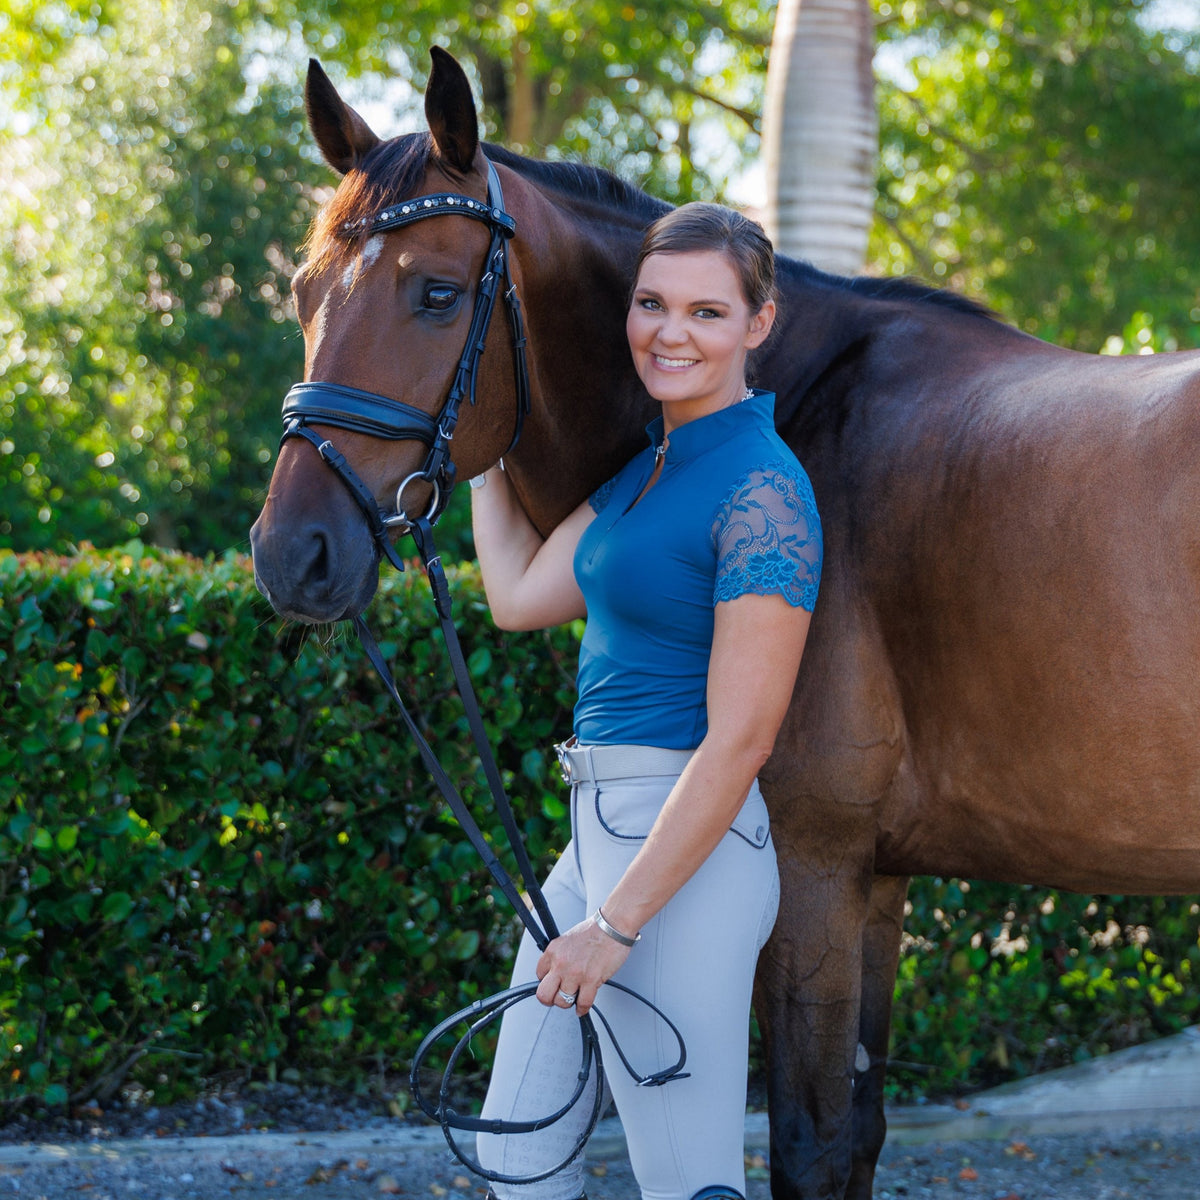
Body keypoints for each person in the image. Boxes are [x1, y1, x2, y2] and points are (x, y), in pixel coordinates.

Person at [469, 202, 823, 1200]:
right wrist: (487, 446)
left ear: (758, 324)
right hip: (594, 845)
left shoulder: (763, 490)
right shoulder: (647, 469)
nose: (671, 332)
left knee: (687, 1181)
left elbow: (742, 740)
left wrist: (614, 927)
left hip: (689, 864)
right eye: (653, 303)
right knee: (516, 1152)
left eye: (708, 312)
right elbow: (517, 598)